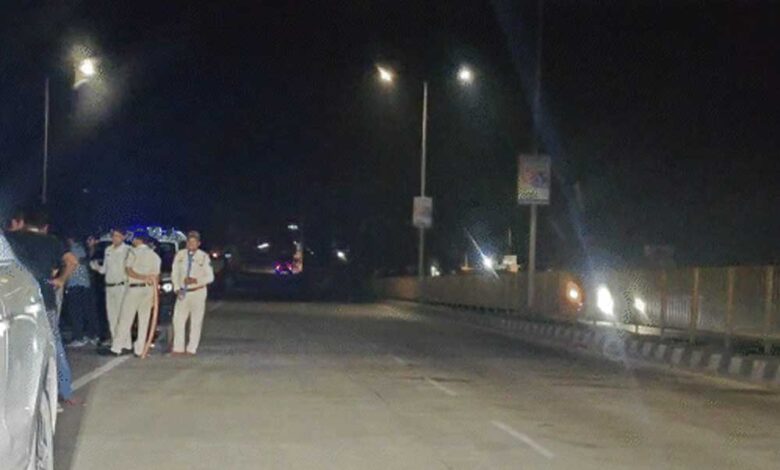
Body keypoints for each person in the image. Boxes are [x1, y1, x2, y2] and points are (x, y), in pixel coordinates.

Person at [5, 206, 80, 405]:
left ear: (22, 223)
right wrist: (60, 280)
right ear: (44, 227)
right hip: (44, 299)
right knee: (54, 344)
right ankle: (66, 391)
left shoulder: (11, 239)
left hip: (15, 300)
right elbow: (72, 261)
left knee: (16, 346)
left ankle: (19, 393)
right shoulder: (51, 242)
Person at [106, 232, 161, 357]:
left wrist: (142, 277)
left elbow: (128, 270)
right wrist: (155, 296)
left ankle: (117, 347)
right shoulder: (154, 256)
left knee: (125, 319)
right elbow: (156, 277)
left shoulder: (133, 252)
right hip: (148, 290)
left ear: (138, 240)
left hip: (134, 288)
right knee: (144, 321)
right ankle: (140, 349)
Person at [171, 231, 214, 356]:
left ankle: (191, 348)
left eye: (194, 242)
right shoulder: (180, 255)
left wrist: (196, 280)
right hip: (183, 292)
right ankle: (178, 348)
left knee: (196, 321)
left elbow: (210, 277)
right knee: (178, 320)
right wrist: (176, 288)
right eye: (189, 242)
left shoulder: (203, 257)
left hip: (198, 292)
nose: (191, 244)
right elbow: (175, 273)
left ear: (198, 243)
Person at [89, 228, 130, 344]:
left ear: (123, 237)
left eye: (117, 236)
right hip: (109, 286)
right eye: (113, 236)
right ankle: (115, 341)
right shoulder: (108, 250)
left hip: (122, 286)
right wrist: (96, 267)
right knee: (112, 316)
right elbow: (104, 270)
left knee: (123, 315)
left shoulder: (127, 250)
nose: (115, 238)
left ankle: (125, 342)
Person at [62, 236, 99, 347]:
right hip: (85, 284)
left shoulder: (69, 250)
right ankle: (92, 335)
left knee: (76, 312)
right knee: (88, 311)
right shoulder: (83, 248)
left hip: (74, 284)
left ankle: (79, 337)